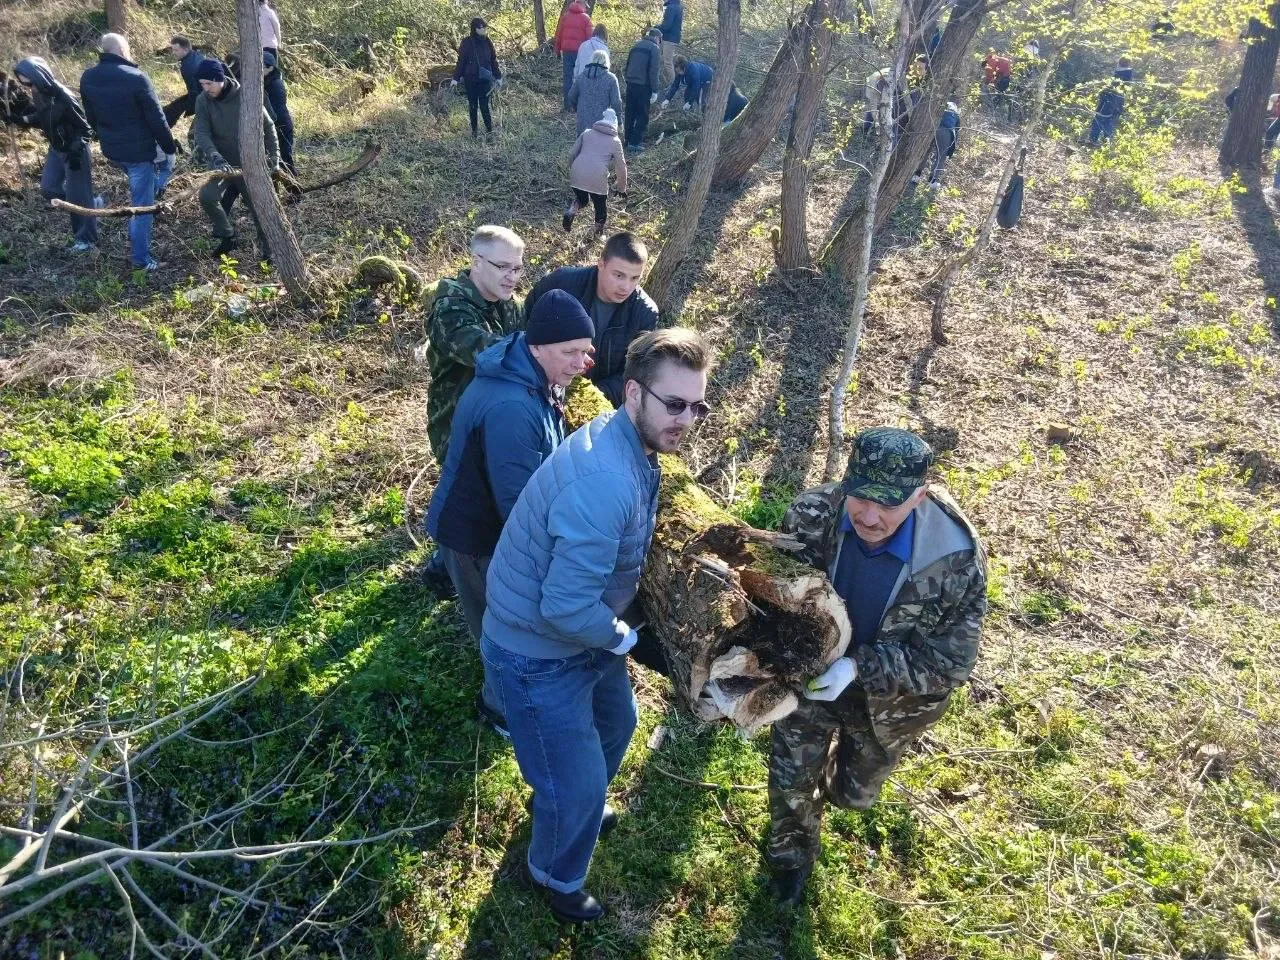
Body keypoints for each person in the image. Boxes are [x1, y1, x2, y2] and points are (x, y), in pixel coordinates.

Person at [481, 327, 713, 923]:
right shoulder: (605, 480)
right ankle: (553, 875)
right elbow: (562, 606)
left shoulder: (630, 446)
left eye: (697, 406)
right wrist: (628, 639)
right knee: (579, 780)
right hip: (535, 648)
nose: (686, 419)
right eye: (674, 403)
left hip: (580, 631)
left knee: (618, 721)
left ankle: (566, 803)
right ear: (634, 392)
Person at [766, 427, 989, 907]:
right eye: (860, 497)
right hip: (809, 683)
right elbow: (777, 597)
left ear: (920, 497)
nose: (869, 516)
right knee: (790, 781)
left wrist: (858, 667)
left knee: (854, 794)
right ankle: (791, 857)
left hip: (887, 704)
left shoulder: (954, 562)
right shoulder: (812, 516)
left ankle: (835, 785)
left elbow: (948, 666)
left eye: (888, 505)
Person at [426, 290, 595, 735]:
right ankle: (501, 709)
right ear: (537, 346)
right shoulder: (512, 407)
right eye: (570, 352)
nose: (581, 363)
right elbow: (519, 503)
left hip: (488, 525)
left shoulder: (529, 373)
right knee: (500, 628)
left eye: (585, 351)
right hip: (474, 536)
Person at [425, 225, 526, 467]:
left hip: (501, 420)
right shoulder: (449, 307)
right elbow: (488, 352)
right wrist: (548, 350)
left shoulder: (512, 306)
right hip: (457, 430)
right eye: (502, 267)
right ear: (477, 262)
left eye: (517, 269)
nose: (512, 277)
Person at [80, 33, 177, 271]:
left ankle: (153, 189)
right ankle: (141, 260)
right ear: (123, 51)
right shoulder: (137, 78)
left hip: (112, 150)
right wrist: (169, 147)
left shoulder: (88, 77)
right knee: (142, 208)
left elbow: (90, 116)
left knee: (148, 182)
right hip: (139, 153)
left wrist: (105, 136)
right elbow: (157, 118)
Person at [526, 232, 658, 407]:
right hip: (541, 388)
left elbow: (636, 374)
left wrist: (588, 395)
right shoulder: (560, 284)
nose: (626, 287)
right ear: (601, 263)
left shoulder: (644, 312)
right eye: (618, 275)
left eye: (635, 278)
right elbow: (526, 332)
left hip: (597, 402)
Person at [191, 58, 279, 259]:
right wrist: (214, 155)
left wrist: (274, 156)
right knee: (207, 197)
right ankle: (228, 236)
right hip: (220, 163)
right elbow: (201, 132)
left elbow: (268, 126)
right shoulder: (202, 101)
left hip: (248, 163)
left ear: (221, 79)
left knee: (258, 206)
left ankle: (268, 247)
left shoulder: (245, 96)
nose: (205, 88)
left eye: (209, 83)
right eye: (202, 84)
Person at [11, 57, 98, 253]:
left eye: (27, 79)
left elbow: (85, 128)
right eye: (22, 79)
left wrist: (76, 150)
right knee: (49, 189)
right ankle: (91, 203)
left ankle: (85, 240)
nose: (25, 84)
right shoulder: (39, 92)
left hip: (74, 151)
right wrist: (21, 119)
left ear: (38, 74)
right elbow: (43, 118)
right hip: (56, 149)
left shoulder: (64, 96)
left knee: (78, 198)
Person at [565, 107, 627, 239]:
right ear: (614, 126)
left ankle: (571, 210)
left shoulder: (586, 133)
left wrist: (573, 170)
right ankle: (597, 235)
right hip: (597, 178)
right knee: (600, 208)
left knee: (582, 200)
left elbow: (571, 153)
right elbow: (621, 166)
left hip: (577, 172)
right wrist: (622, 188)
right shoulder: (615, 142)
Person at [452, 17, 503, 138]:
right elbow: (461, 62)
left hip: (485, 79)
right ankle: (474, 132)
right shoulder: (466, 42)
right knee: (473, 106)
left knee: (485, 106)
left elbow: (493, 60)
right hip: (470, 80)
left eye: (485, 27)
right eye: (482, 27)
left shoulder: (487, 41)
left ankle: (489, 131)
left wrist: (498, 76)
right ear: (475, 29)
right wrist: (455, 78)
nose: (484, 29)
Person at [623, 28, 662, 151]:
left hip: (630, 83)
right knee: (643, 115)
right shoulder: (654, 49)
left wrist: (628, 80)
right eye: (660, 40)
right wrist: (655, 90)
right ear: (657, 38)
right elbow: (653, 71)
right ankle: (635, 143)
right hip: (643, 86)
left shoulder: (636, 46)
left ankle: (627, 139)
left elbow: (627, 65)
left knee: (630, 113)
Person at [568, 49, 623, 136]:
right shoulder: (611, 79)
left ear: (592, 60)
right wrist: (619, 122)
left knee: (583, 147)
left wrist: (575, 108)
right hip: (603, 124)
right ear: (606, 62)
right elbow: (616, 102)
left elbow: (571, 96)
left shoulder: (581, 77)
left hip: (583, 123)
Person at [554, 1, 594, 112]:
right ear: (583, 5)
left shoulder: (565, 17)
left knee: (567, 78)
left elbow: (559, 35)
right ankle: (577, 105)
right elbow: (590, 38)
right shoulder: (586, 19)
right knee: (579, 77)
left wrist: (557, 50)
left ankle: (568, 105)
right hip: (580, 52)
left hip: (566, 51)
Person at [163, 35, 206, 126]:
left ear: (185, 50)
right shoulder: (196, 55)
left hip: (205, 98)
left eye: (176, 50)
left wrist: (192, 109)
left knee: (172, 110)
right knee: (175, 106)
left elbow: (194, 90)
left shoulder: (188, 67)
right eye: (173, 50)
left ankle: (162, 130)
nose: (173, 53)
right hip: (203, 92)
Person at [925, 100, 961, 189]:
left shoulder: (941, 104)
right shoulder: (955, 114)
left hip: (932, 127)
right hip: (945, 132)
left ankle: (916, 175)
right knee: (941, 156)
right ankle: (933, 181)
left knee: (925, 151)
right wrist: (951, 149)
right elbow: (956, 130)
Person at [1088, 80, 1125, 145]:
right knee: (1097, 129)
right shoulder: (1106, 92)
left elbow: (1120, 107)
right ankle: (1093, 142)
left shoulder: (1119, 95)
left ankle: (1103, 143)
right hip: (1101, 114)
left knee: (1106, 131)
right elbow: (1101, 97)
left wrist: (1118, 114)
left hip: (1109, 115)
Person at [658, 0, 684, 85]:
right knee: (660, 58)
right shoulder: (676, 5)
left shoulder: (671, 7)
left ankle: (671, 85)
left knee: (668, 62)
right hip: (670, 37)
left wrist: (656, 27)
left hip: (670, 38)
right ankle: (662, 81)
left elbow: (667, 25)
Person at [862, 68, 892, 139]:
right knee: (872, 111)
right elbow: (874, 108)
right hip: (872, 90)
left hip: (890, 87)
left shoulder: (892, 78)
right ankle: (865, 130)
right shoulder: (873, 90)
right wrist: (877, 124)